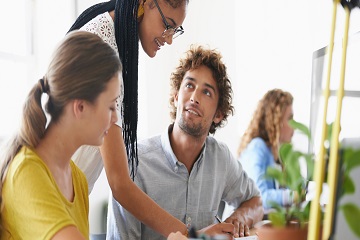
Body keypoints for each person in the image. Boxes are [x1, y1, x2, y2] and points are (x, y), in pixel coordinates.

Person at [107, 45, 264, 240]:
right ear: (176, 96)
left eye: (207, 92)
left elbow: (256, 201)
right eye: (189, 85)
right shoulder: (134, 163)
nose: (194, 97)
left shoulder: (220, 157)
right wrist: (199, 238)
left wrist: (237, 221)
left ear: (218, 114)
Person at [68, 0, 190, 236]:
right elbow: (120, 183)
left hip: (65, 202)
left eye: (176, 31)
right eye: (168, 25)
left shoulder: (112, 40)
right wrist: (191, 234)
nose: (169, 38)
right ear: (146, 3)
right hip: (46, 199)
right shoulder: (100, 47)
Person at [0, 31, 121, 239]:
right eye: (110, 106)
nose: (115, 117)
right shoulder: (26, 172)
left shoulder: (78, 180)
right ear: (80, 107)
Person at [237, 89, 295, 212]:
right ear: (276, 121)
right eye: (290, 118)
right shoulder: (257, 147)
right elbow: (259, 198)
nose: (294, 125)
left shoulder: (276, 154)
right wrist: (294, 195)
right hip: (240, 227)